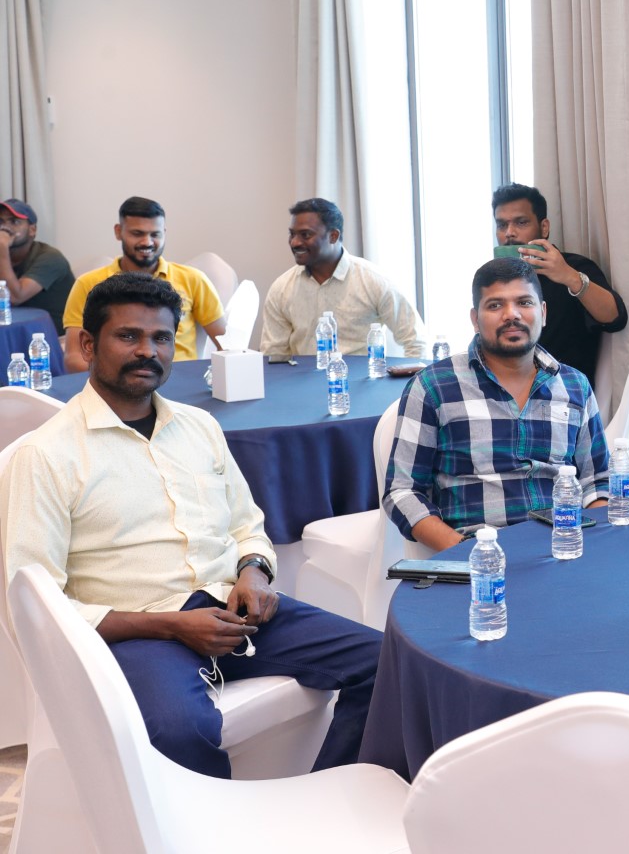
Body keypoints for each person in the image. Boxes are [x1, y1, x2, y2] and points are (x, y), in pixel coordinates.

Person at [1, 274, 380, 779]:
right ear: (88, 345)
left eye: (161, 338)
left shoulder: (199, 426)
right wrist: (170, 625)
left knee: (386, 663)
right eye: (128, 336)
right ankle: (211, 821)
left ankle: (329, 800)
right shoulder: (45, 455)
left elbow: (248, 525)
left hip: (234, 610)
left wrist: (254, 573)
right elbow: (35, 607)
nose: (147, 351)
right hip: (138, 633)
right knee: (178, 728)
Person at [384, 258, 608, 551]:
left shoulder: (574, 385)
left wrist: (593, 547)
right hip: (479, 553)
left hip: (564, 549)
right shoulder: (433, 386)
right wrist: (465, 551)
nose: (511, 315)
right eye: (495, 305)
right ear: (475, 319)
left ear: (542, 313)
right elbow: (402, 491)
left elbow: (598, 482)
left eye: (524, 303)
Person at [61, 196, 226, 371]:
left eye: (155, 234)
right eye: (137, 234)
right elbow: (74, 358)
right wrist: (117, 379)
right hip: (116, 381)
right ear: (118, 232)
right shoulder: (88, 283)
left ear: (164, 232)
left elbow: (228, 346)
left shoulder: (193, 279)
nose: (147, 242)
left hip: (180, 379)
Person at [259, 197, 428, 359]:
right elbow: (273, 355)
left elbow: (417, 342)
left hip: (363, 378)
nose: (295, 243)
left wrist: (409, 379)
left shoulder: (374, 281)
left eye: (305, 235)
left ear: (333, 236)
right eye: (292, 234)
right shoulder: (282, 288)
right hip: (300, 378)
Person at [492, 183, 628, 383]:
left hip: (563, 389)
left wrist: (569, 276)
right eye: (502, 225)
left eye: (521, 223)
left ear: (544, 227)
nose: (509, 233)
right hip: (502, 386)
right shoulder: (494, 278)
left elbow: (615, 318)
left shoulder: (574, 267)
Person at [0, 199, 75, 334]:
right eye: (0, 222)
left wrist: (2, 249)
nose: (4, 228)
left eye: (14, 222)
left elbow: (14, 297)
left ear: (32, 230)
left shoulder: (50, 257)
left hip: (50, 337)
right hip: (13, 330)